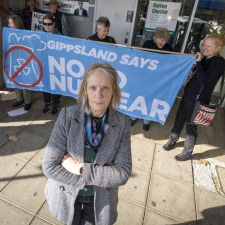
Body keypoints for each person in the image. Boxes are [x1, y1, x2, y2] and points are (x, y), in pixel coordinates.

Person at [42, 62, 132, 225]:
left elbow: (123, 173)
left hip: (100, 198)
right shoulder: (68, 116)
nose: (99, 94)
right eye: (93, 88)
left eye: (105, 88)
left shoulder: (122, 123)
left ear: (113, 92)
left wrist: (80, 169)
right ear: (85, 89)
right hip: (67, 193)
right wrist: (102, 174)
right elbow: (49, 166)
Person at [163, 32, 225, 161]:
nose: (204, 48)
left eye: (208, 46)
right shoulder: (205, 58)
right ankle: (173, 139)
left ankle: (187, 152)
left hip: (199, 98)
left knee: (191, 125)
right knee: (179, 118)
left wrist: (198, 63)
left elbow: (204, 81)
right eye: (204, 45)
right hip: (189, 94)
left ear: (217, 48)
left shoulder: (219, 62)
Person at [131, 27, 174, 131]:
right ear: (155, 38)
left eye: (164, 40)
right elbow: (139, 58)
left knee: (152, 99)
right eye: (160, 39)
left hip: (158, 80)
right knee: (139, 97)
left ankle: (146, 121)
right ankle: (133, 117)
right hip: (144, 77)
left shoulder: (169, 49)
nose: (162, 42)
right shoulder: (148, 44)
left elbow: (172, 64)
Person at [8, 15, 32, 111]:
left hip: (23, 60)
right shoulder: (9, 33)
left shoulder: (25, 33)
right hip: (13, 60)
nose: (9, 25)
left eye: (10, 23)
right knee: (16, 81)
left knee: (24, 82)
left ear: (16, 23)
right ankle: (19, 99)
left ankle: (27, 101)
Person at [41, 13, 61, 115]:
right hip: (44, 64)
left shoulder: (60, 36)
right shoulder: (40, 35)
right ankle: (47, 103)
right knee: (45, 85)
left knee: (55, 85)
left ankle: (55, 104)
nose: (47, 26)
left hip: (56, 65)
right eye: (45, 24)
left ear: (54, 24)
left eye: (49, 24)